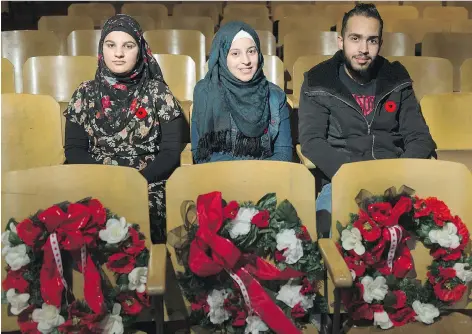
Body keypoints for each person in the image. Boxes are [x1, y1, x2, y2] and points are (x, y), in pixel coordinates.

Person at [298, 4, 436, 237]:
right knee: (327, 238)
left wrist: (397, 176)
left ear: (380, 44)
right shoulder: (318, 81)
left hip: (395, 181)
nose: (363, 48)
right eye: (355, 38)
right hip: (342, 180)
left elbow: (420, 137)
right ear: (341, 41)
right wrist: (356, 176)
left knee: (437, 234)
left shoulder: (396, 79)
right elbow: (312, 140)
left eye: (372, 40)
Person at [63, 14, 184, 243]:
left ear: (140, 50)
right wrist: (106, 182)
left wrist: (137, 182)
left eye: (127, 46)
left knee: (148, 213)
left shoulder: (158, 92)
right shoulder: (84, 92)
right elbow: (74, 149)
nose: (118, 53)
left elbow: (170, 151)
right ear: (102, 49)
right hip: (96, 179)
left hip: (148, 183)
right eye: (111, 45)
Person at [191, 21, 292, 163]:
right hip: (218, 178)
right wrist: (238, 177)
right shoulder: (204, 93)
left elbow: (284, 153)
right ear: (222, 56)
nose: (246, 61)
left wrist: (253, 177)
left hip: (265, 179)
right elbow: (200, 154)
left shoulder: (275, 96)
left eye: (251, 51)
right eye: (235, 53)